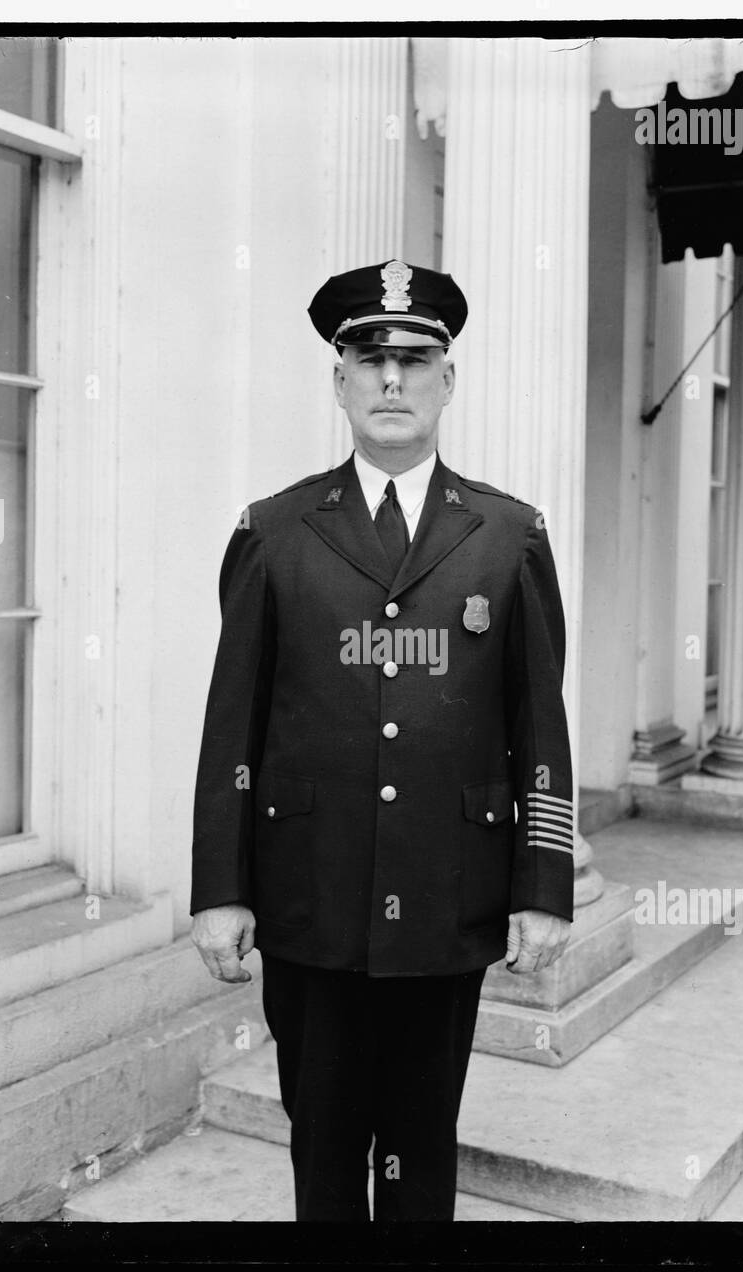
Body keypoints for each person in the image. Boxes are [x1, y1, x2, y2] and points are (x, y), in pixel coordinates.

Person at [190, 260, 574, 1222]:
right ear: (340, 382)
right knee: (322, 1151)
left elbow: (540, 723)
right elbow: (231, 720)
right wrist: (220, 889)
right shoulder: (275, 532)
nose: (392, 380)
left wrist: (542, 886)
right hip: (310, 894)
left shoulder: (508, 534)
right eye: (370, 359)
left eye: (415, 359)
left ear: (449, 381)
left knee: (420, 1151)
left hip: (448, 898)